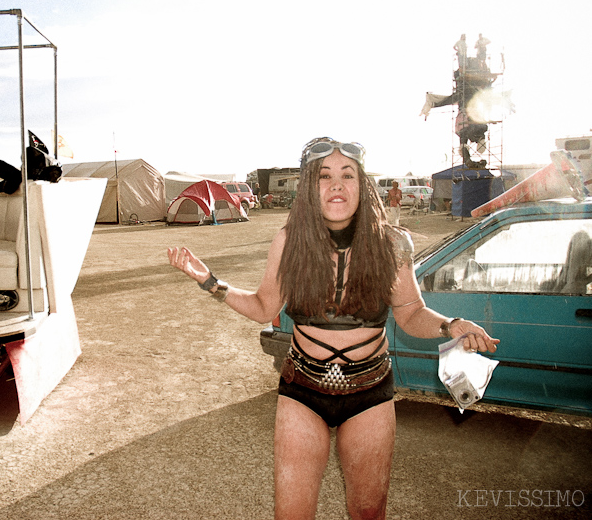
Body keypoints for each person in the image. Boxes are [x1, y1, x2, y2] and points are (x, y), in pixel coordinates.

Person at [167, 137, 498, 520]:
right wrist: (210, 281)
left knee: (368, 513)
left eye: (347, 174)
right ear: (310, 187)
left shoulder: (392, 244)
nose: (336, 184)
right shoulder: (289, 241)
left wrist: (451, 325)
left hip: (369, 393)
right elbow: (263, 307)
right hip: (302, 391)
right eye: (324, 176)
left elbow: (410, 313)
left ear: (363, 185)